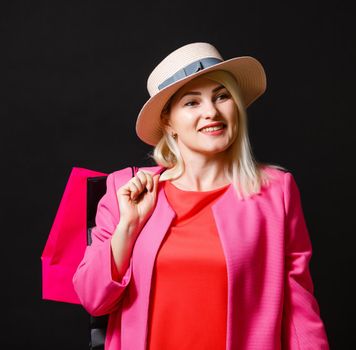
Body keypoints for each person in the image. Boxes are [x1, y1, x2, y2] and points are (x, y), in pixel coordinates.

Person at [72, 42, 329, 350]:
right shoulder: (125, 189)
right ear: (168, 122)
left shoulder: (276, 192)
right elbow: (93, 300)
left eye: (222, 97)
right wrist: (128, 226)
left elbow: (298, 309)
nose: (211, 112)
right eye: (192, 103)